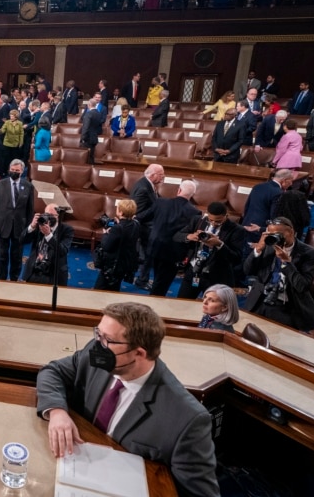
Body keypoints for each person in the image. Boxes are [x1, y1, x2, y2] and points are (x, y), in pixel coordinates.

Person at [36, 302, 219, 497]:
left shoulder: (188, 419)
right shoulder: (98, 354)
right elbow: (52, 372)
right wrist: (57, 411)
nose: (98, 344)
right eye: (98, 334)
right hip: (72, 470)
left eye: (108, 340)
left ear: (139, 353)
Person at [244, 217, 314, 332]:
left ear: (291, 232)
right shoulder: (268, 245)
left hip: (286, 307)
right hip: (260, 301)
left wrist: (287, 263)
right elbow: (247, 271)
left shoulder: (310, 254)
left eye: (278, 234)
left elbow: (302, 286)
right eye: (271, 234)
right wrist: (258, 250)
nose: (275, 238)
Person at [174, 202, 245, 299]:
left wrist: (220, 244)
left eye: (218, 221)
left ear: (226, 216)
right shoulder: (198, 221)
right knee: (182, 303)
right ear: (207, 214)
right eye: (210, 220)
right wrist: (189, 236)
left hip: (216, 277)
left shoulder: (237, 230)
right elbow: (177, 236)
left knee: (211, 309)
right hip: (193, 271)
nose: (213, 224)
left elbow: (236, 258)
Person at [148, 180, 201, 297]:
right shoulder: (195, 212)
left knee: (157, 278)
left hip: (155, 247)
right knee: (162, 283)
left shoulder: (161, 202)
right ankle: (152, 304)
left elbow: (146, 217)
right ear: (192, 195)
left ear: (179, 190)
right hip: (174, 253)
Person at [0, 159, 36, 282]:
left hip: (20, 227)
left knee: (17, 256)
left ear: (22, 172)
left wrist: (29, 227)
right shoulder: (0, 184)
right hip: (3, 225)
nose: (14, 172)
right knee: (2, 256)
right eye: (12, 170)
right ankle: (1, 279)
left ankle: (14, 279)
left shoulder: (28, 186)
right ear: (9, 170)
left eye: (17, 170)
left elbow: (30, 209)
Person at [94, 199, 140, 292]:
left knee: (99, 290)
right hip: (124, 263)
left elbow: (106, 246)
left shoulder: (117, 229)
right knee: (115, 288)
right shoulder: (136, 224)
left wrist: (106, 234)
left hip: (113, 265)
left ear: (121, 212)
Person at [22, 204, 74, 285]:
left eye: (51, 215)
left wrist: (49, 235)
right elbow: (22, 240)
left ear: (58, 216)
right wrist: (32, 226)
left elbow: (62, 251)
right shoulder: (39, 225)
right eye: (46, 214)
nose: (48, 217)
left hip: (53, 273)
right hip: (34, 269)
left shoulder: (66, 230)